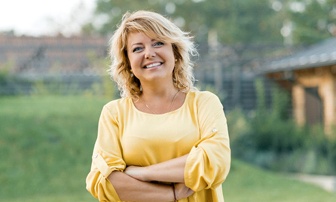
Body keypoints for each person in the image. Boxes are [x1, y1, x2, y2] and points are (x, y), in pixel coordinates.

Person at [86, 10, 231, 202]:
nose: (149, 53)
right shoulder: (114, 114)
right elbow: (103, 181)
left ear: (175, 52)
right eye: (138, 49)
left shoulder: (204, 103)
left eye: (158, 43)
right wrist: (172, 194)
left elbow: (215, 162)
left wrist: (143, 173)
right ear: (128, 62)